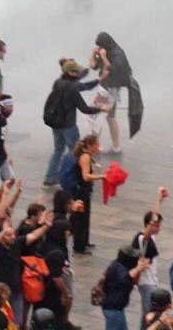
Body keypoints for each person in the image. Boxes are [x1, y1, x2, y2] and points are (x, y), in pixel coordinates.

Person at [43, 59, 104, 188]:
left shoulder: (58, 82)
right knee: (75, 152)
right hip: (68, 125)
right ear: (71, 72)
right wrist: (101, 108)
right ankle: (72, 177)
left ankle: (49, 179)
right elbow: (84, 108)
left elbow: (79, 82)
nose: (78, 73)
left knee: (58, 150)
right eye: (76, 71)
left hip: (56, 124)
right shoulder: (72, 87)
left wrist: (93, 77)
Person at [90, 32, 134, 154]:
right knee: (110, 117)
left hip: (110, 89)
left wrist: (104, 58)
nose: (100, 48)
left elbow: (115, 70)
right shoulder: (106, 50)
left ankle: (94, 147)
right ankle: (116, 147)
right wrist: (94, 53)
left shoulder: (117, 53)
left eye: (101, 46)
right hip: (109, 88)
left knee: (96, 116)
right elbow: (93, 66)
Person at [132, 188, 169, 315]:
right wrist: (159, 199)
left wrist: (160, 201)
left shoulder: (150, 238)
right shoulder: (142, 238)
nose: (158, 228)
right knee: (149, 315)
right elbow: (152, 222)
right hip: (146, 283)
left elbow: (155, 216)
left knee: (147, 316)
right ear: (149, 225)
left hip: (151, 282)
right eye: (156, 225)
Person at [68, 134, 106, 255]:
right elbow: (86, 176)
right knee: (81, 219)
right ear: (90, 145)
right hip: (81, 192)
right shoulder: (85, 157)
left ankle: (84, 242)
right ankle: (79, 247)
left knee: (84, 218)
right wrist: (102, 176)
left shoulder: (86, 154)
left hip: (83, 191)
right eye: (96, 145)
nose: (98, 147)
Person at [101, 247, 149, 330]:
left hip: (117, 308)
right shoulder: (119, 269)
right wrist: (138, 268)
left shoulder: (118, 265)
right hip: (113, 308)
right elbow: (125, 278)